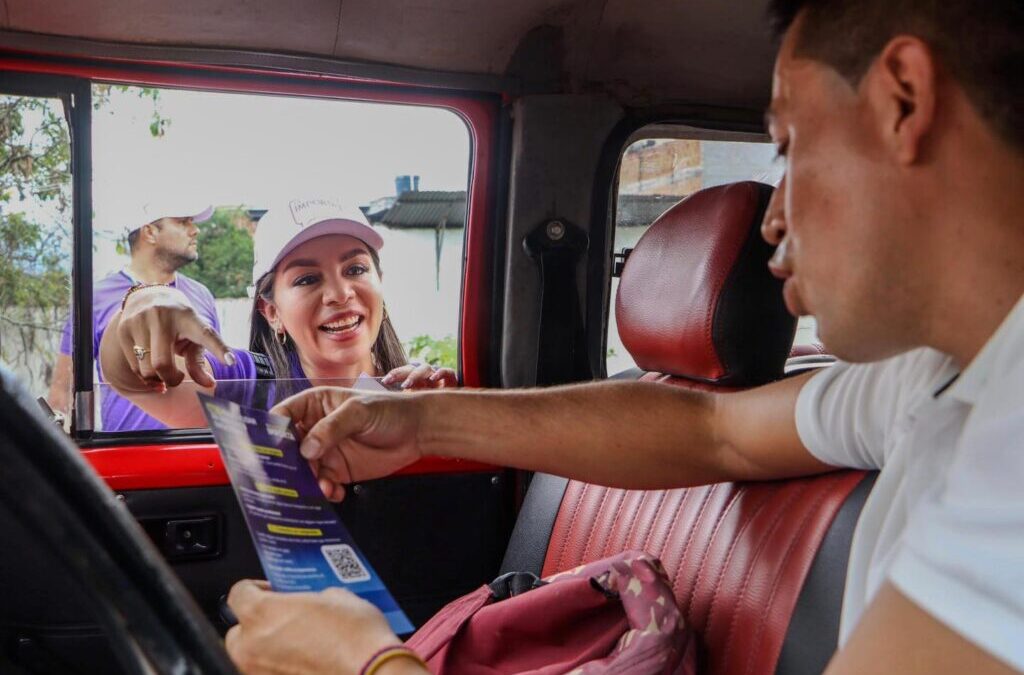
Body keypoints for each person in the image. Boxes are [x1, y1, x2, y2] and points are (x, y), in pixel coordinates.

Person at [184, 1, 1021, 674]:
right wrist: (424, 425)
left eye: (791, 146)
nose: (772, 216)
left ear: (902, 100)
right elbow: (713, 430)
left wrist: (367, 664)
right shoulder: (936, 379)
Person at [98, 197, 455, 434]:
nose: (340, 293)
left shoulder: (416, 387)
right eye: (307, 279)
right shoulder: (248, 383)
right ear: (272, 312)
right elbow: (130, 376)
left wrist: (446, 411)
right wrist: (143, 301)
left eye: (356, 269)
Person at [47, 199, 219, 431]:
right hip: (127, 454)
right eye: (182, 222)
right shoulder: (93, 299)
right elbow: (62, 391)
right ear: (149, 232)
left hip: (195, 449)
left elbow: (217, 379)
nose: (195, 229)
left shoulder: (202, 295)